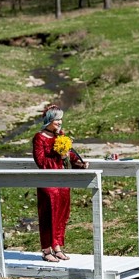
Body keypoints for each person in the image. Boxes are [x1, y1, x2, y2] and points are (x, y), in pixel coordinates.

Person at [32, 104, 88, 262]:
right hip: (48, 182)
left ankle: (57, 246)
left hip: (63, 181)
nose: (60, 122)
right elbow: (41, 162)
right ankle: (46, 249)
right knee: (47, 214)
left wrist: (80, 163)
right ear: (49, 120)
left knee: (62, 214)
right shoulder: (39, 138)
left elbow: (69, 155)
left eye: (61, 119)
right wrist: (59, 156)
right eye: (57, 119)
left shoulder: (61, 136)